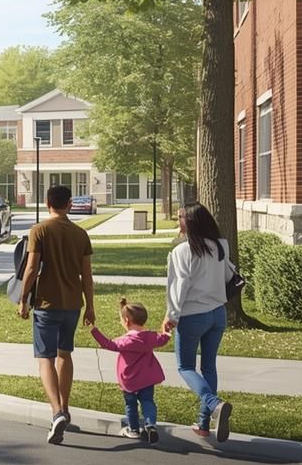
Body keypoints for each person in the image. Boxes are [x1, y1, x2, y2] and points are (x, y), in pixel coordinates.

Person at [16, 184, 95, 445]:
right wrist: (90, 306)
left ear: (47, 202)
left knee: (45, 359)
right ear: (69, 204)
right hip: (73, 304)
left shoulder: (39, 230)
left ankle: (56, 412)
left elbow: (31, 268)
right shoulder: (81, 234)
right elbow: (87, 275)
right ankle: (65, 407)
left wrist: (23, 299)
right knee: (65, 354)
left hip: (46, 305)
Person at [163, 205, 235, 442]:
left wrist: (171, 316)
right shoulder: (220, 246)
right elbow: (228, 276)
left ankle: (214, 405)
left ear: (191, 222)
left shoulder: (183, 251)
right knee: (209, 367)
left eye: (181, 217)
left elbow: (178, 286)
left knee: (185, 367)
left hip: (193, 315)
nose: (178, 220)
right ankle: (204, 423)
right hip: (218, 314)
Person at [91, 297, 170, 445]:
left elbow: (107, 343)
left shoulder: (123, 342)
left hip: (129, 381)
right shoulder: (151, 337)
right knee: (148, 402)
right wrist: (166, 330)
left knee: (131, 405)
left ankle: (133, 429)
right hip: (147, 379)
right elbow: (164, 339)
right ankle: (150, 424)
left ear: (126, 322)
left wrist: (94, 330)